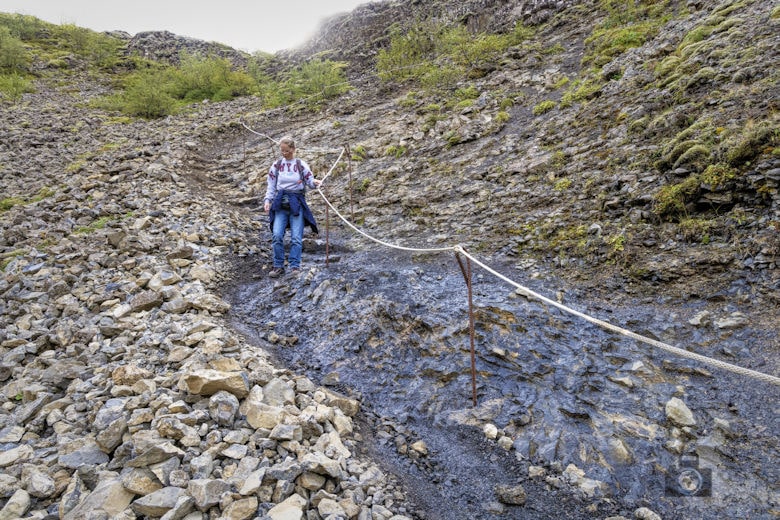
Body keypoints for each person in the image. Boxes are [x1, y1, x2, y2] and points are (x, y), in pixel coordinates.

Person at [263, 136, 322, 277]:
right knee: (277, 235)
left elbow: (309, 181)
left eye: (287, 151)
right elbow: (271, 184)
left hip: (297, 203)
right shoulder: (276, 165)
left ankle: (295, 266)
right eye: (282, 151)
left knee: (296, 237)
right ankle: (278, 265)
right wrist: (267, 200)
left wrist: (316, 183)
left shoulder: (301, 165)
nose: (284, 154)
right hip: (280, 203)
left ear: (293, 149)